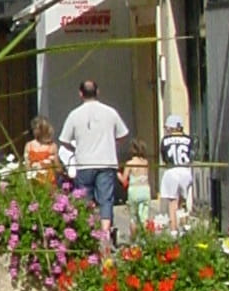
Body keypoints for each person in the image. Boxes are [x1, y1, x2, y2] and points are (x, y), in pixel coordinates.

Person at [57, 80, 129, 246]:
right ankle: (105, 233)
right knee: (106, 199)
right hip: (106, 162)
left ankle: (89, 232)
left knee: (85, 199)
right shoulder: (110, 112)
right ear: (98, 91)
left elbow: (64, 140)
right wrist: (111, 143)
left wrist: (78, 147)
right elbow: (123, 134)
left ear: (80, 93)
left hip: (85, 163)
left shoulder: (74, 114)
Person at [159, 114, 194, 232]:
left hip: (172, 170)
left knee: (172, 202)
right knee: (183, 201)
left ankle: (173, 229)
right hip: (185, 170)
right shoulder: (189, 139)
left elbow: (164, 158)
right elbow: (191, 155)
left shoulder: (165, 140)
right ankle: (185, 226)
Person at [120, 139, 154, 228]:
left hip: (134, 190)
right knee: (144, 218)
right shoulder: (145, 162)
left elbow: (124, 180)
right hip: (145, 189)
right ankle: (145, 238)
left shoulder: (130, 163)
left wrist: (117, 174)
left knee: (133, 218)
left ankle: (134, 240)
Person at [24, 116, 60, 182]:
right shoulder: (29, 145)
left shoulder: (52, 146)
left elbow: (57, 167)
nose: (35, 131)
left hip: (48, 180)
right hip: (34, 180)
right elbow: (27, 166)